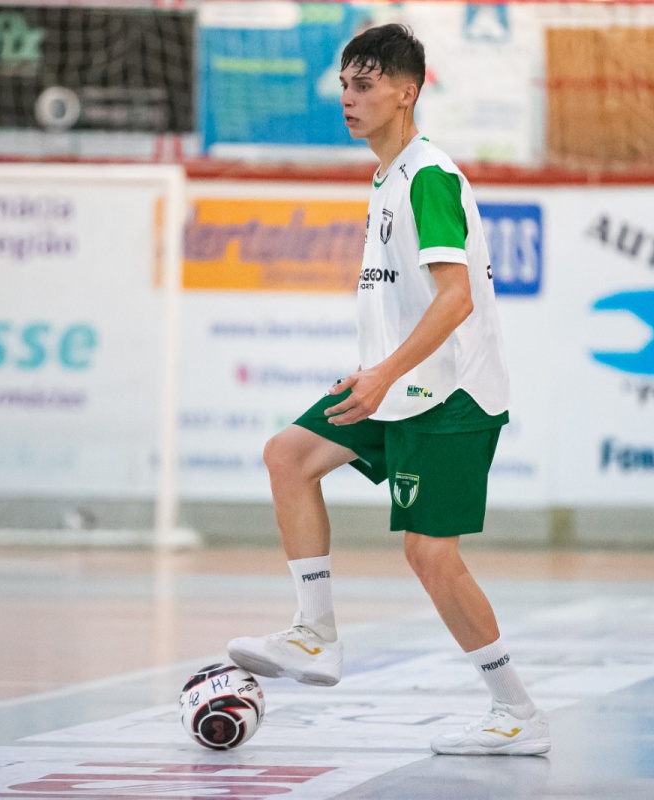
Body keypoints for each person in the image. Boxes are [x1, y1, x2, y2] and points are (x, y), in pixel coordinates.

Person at [227, 24, 550, 756]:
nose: (349, 97)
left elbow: (455, 299)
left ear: (408, 92)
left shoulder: (428, 176)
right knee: (288, 456)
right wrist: (374, 371)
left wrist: (384, 372)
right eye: (344, 83)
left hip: (452, 395)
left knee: (431, 556)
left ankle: (517, 712)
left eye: (365, 84)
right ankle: (315, 635)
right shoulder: (386, 176)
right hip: (399, 385)